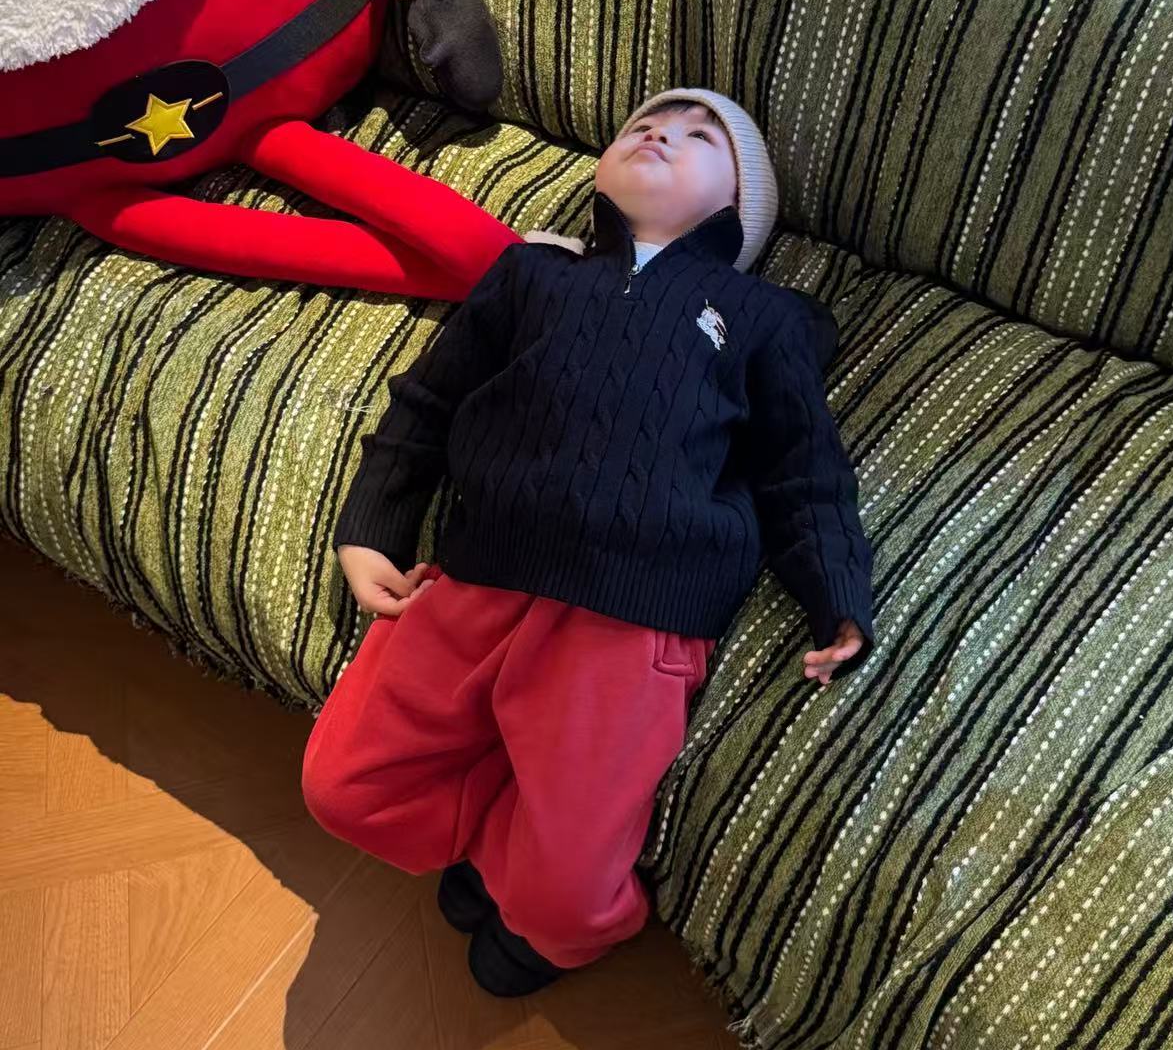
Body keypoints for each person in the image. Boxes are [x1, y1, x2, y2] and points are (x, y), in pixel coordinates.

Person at [302, 89, 875, 995]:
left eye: (700, 136)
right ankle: (494, 847)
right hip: (476, 580)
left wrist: (835, 590)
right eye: (644, 123)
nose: (661, 132)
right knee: (342, 789)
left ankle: (547, 923)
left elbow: (804, 466)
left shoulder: (761, 314)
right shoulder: (532, 273)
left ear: (742, 205)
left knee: (565, 896)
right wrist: (373, 526)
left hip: (629, 621)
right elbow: (428, 401)